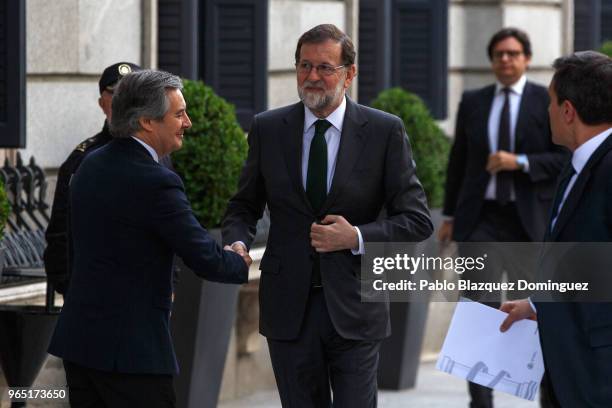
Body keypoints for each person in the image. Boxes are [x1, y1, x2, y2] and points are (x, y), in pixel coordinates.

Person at [222, 24, 433, 407]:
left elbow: (417, 220)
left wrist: (357, 237)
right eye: (304, 66)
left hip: (355, 307)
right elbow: (243, 206)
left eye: (325, 67)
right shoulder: (268, 128)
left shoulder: (384, 131)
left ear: (349, 74)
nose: (312, 77)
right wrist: (236, 240)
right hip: (289, 309)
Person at [48, 69, 251, 408]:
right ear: (146, 122)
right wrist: (238, 260)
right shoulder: (156, 182)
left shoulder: (89, 165)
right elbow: (203, 255)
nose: (187, 122)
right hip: (132, 352)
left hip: (80, 343)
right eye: (179, 114)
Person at [437, 28, 567, 408]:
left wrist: (520, 162)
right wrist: (448, 215)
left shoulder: (547, 100)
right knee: (479, 309)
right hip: (481, 220)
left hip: (529, 223)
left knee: (538, 311)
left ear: (527, 58)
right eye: (498, 54)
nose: (505, 60)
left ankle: (547, 394)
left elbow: (562, 160)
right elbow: (458, 159)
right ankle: (481, 400)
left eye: (512, 53)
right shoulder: (474, 101)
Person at [500, 51, 612, 407]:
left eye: (550, 102)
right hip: (565, 364)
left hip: (598, 371)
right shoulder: (576, 162)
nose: (545, 111)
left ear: (567, 111)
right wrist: (536, 304)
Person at [44, 62, 173, 295]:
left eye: (132, 96)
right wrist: (69, 287)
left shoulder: (160, 155)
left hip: (145, 291)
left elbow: (170, 227)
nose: (122, 102)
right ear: (102, 103)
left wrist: (170, 284)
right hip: (94, 292)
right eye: (114, 94)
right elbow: (60, 233)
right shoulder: (81, 158)